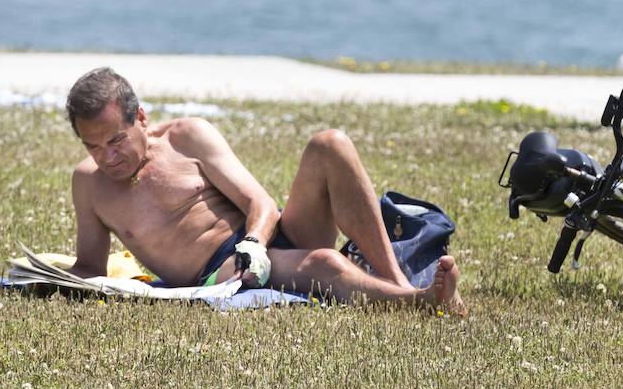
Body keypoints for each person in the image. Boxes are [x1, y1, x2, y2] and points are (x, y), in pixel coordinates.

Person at [64, 68, 464, 313]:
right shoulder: (89, 184)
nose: (108, 157)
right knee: (324, 263)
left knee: (330, 143)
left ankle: (398, 283)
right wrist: (38, 280)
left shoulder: (187, 137)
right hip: (222, 275)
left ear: (142, 119)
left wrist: (253, 244)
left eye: (116, 140)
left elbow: (261, 204)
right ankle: (417, 303)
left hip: (261, 242)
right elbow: (91, 270)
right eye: (93, 146)